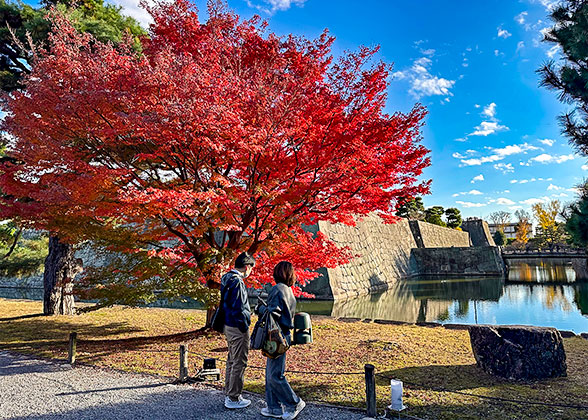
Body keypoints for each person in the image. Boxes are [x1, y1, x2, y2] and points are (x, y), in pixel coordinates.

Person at [256, 261, 306, 420]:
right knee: (271, 372)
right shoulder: (289, 290)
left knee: (274, 375)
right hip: (282, 335)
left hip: (276, 336)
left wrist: (260, 308)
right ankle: (273, 408)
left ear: (277, 273)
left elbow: (272, 314)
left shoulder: (277, 289)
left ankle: (294, 403)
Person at [221, 252, 255, 410]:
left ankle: (229, 392)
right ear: (247, 267)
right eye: (251, 269)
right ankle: (233, 397)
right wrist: (245, 324)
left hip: (227, 324)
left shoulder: (226, 278)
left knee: (231, 360)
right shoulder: (238, 282)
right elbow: (240, 308)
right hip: (237, 327)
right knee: (239, 362)